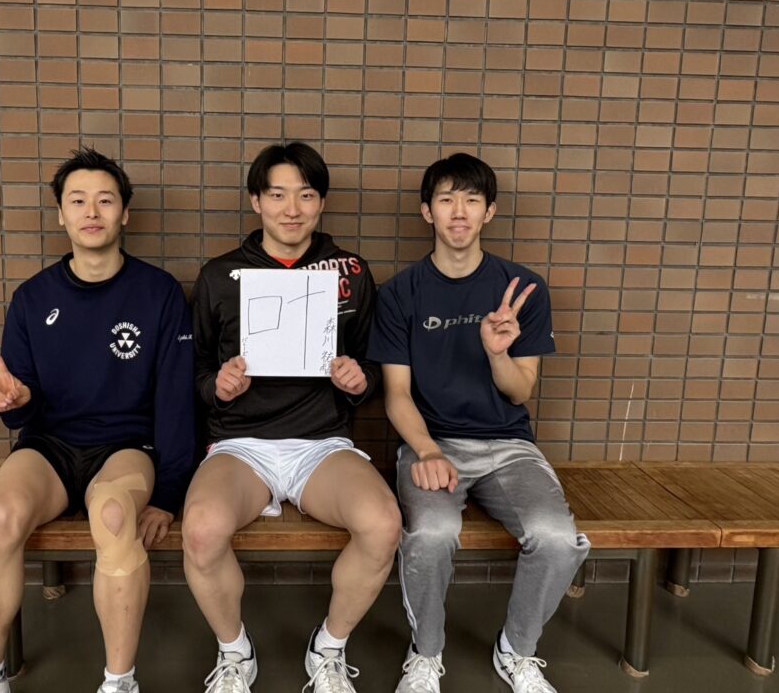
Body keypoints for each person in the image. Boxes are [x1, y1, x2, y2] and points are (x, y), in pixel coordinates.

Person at [0, 148, 195, 693]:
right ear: (61, 215)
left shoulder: (159, 293)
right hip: (49, 446)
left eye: (105, 200)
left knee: (113, 517)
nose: (92, 211)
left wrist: (170, 493)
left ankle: (119, 681)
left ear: (125, 214)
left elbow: (177, 401)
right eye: (78, 201)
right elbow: (22, 408)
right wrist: (13, 402)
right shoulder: (32, 297)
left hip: (125, 447)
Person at [368, 152, 590, 693]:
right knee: (432, 534)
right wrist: (426, 450)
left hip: (508, 446)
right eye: (446, 199)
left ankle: (517, 650)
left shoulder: (522, 288)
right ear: (427, 211)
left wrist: (497, 353)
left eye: (471, 200)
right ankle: (426, 654)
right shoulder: (400, 293)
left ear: (489, 211)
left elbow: (520, 390)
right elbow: (396, 394)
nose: (459, 211)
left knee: (557, 538)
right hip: (431, 442)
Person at [184, 141, 401, 693]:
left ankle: (328, 648)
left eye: (305, 195)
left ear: (321, 202)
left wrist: (360, 380)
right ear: (256, 201)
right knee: (202, 530)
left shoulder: (349, 271)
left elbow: (373, 366)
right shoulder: (220, 275)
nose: (292, 209)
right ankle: (235, 652)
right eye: (277, 194)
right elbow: (197, 370)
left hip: (321, 443)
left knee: (383, 525)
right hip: (241, 444)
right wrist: (217, 386)